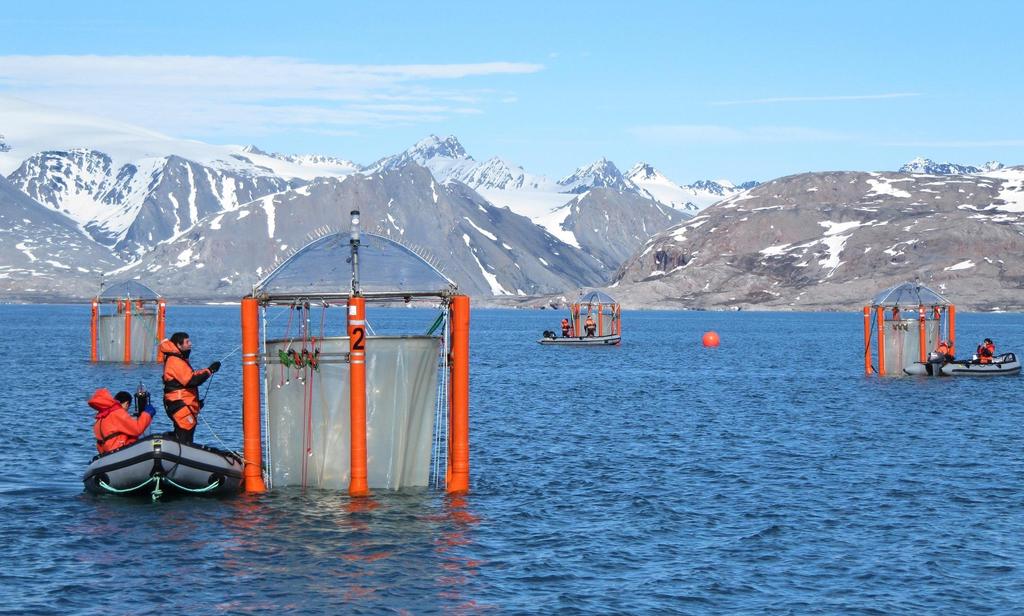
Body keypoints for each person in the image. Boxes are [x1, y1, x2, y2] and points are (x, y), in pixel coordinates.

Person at [158, 332, 220, 443]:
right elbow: (192, 381)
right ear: (178, 345)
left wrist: (208, 370)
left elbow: (191, 375)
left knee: (186, 434)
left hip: (183, 403)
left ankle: (175, 449)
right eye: (187, 342)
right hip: (179, 404)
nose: (190, 344)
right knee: (184, 435)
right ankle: (176, 453)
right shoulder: (175, 360)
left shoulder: (179, 359)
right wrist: (209, 371)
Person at [90, 388, 155, 454]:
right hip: (118, 451)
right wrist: (147, 414)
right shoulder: (118, 413)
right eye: (128, 407)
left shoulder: (101, 417)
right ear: (127, 404)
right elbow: (137, 429)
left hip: (105, 453)